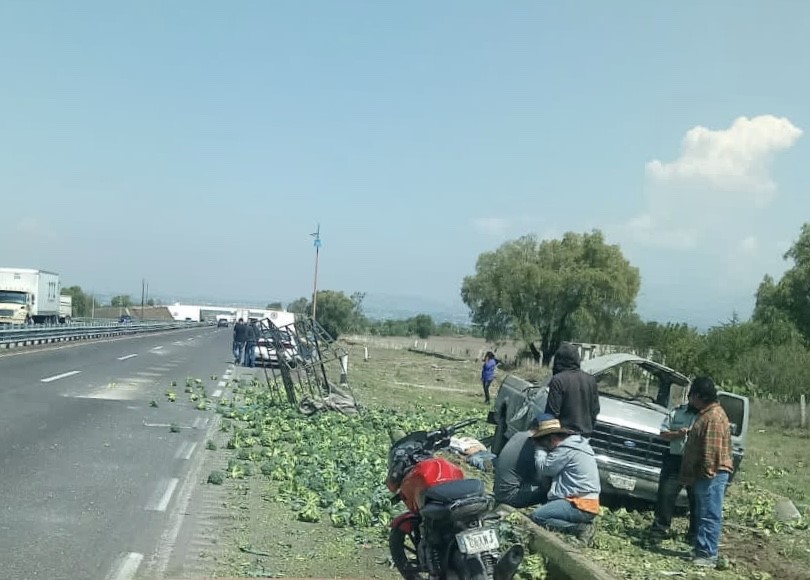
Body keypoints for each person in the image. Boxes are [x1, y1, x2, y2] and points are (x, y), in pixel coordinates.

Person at [679, 377, 733, 568]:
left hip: (712, 474)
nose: (690, 400)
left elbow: (711, 450)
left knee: (710, 513)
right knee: (703, 512)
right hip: (705, 474)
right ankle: (701, 548)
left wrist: (707, 473)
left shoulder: (714, 417)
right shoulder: (706, 414)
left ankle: (708, 553)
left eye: (692, 395)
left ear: (700, 396)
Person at [530, 413, 601, 546]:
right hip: (588, 502)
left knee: (537, 516)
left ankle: (580, 529)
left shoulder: (565, 449)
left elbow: (545, 468)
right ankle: (581, 523)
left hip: (579, 504)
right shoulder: (579, 444)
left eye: (542, 441)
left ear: (551, 439)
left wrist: (539, 450)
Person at [650, 401, 699, 540]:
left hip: (696, 462)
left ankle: (694, 536)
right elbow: (663, 433)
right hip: (675, 459)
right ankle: (659, 531)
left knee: (696, 499)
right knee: (666, 494)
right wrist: (677, 434)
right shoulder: (677, 412)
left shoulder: (706, 415)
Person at [544, 343, 600, 437]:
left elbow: (551, 414)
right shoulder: (591, 380)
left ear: (558, 360)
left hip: (562, 438)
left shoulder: (558, 380)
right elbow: (595, 411)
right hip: (585, 439)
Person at [494, 421, 551, 508]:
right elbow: (540, 479)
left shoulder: (519, 435)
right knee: (550, 491)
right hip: (510, 496)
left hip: (499, 490)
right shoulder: (531, 444)